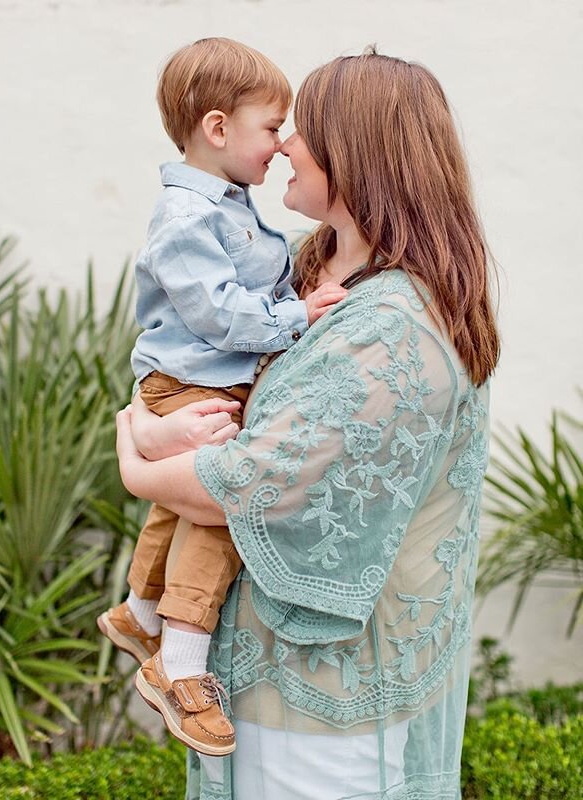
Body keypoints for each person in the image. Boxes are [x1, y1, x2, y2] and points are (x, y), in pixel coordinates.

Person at [116, 48, 500, 800]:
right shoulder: (308, 267)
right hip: (261, 681)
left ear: (355, 153)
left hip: (322, 707)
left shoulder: (392, 324)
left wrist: (134, 463)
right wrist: (151, 426)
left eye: (302, 129)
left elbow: (247, 486)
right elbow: (187, 379)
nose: (284, 143)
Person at [96, 37, 347, 757]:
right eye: (271, 128)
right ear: (216, 128)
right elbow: (218, 315)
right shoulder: (185, 218)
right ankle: (178, 666)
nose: (281, 144)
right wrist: (298, 316)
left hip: (202, 378)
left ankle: (141, 610)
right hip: (190, 379)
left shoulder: (226, 202)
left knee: (182, 499)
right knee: (217, 504)